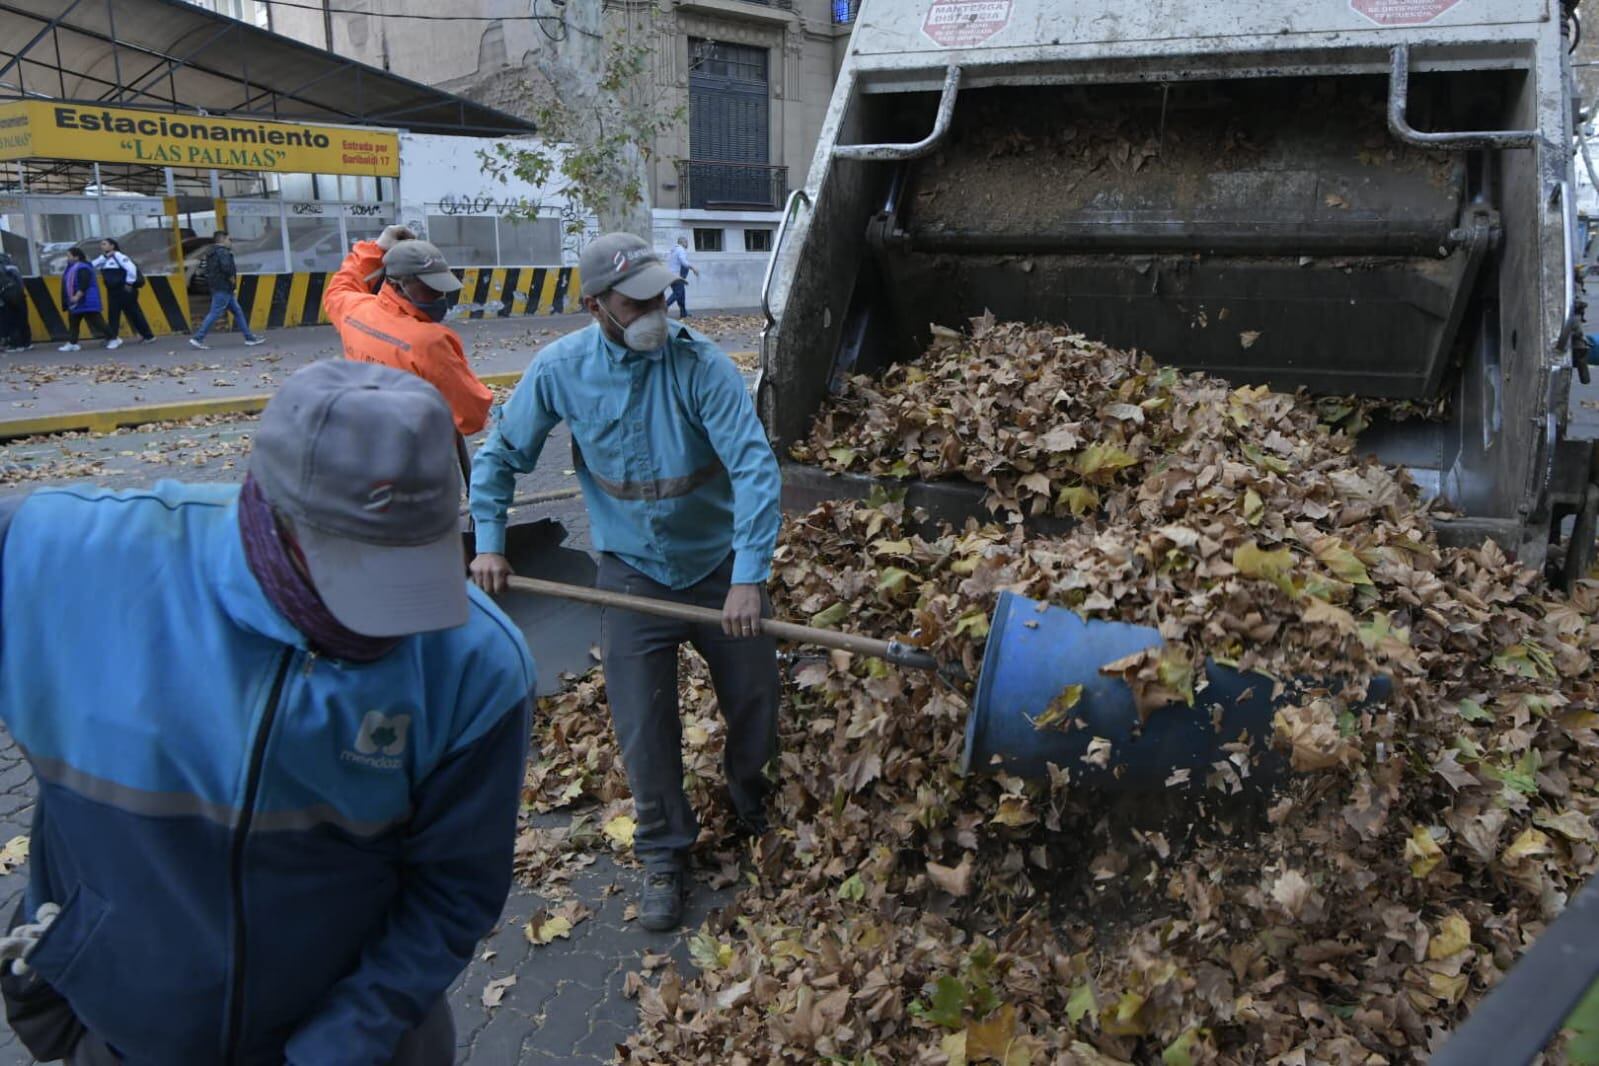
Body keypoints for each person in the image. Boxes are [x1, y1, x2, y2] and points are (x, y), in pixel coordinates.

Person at [0, 359, 535, 1065]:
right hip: (119, 1034)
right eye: (358, 569)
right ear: (271, 511)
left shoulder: (472, 664)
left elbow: (451, 889)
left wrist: (341, 1046)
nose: (388, 628)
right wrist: (53, 994)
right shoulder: (56, 562)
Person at [469, 232, 781, 932]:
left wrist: (748, 576)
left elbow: (755, 469)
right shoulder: (559, 368)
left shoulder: (702, 366)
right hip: (631, 575)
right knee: (644, 727)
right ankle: (665, 854)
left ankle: (756, 803)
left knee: (756, 699)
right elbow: (499, 457)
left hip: (716, 567)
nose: (654, 310)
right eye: (635, 300)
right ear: (595, 305)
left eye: (661, 295)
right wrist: (490, 542)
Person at [323, 224, 491, 436]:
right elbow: (472, 416)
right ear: (397, 284)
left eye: (441, 288)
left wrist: (377, 248)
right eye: (427, 289)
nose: (438, 295)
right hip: (414, 456)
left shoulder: (355, 312)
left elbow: (341, 286)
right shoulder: (429, 342)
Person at [189, 230, 266, 350]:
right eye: (229, 239)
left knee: (237, 312)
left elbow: (204, 270)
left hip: (217, 287)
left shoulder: (210, 252)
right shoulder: (223, 253)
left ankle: (249, 338)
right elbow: (227, 269)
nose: (231, 242)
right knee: (215, 313)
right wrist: (232, 283)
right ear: (222, 240)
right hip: (224, 288)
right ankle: (198, 338)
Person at [91, 238, 154, 349]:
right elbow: (91, 265)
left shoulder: (120, 257)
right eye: (102, 244)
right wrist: (104, 257)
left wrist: (129, 283)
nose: (102, 246)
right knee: (114, 314)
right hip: (112, 290)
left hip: (123, 290)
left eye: (105, 244)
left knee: (133, 313)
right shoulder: (104, 259)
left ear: (112, 246)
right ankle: (113, 337)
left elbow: (132, 269)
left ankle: (147, 335)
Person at [57, 248, 106, 352]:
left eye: (69, 256)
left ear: (76, 257)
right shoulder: (73, 267)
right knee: (74, 322)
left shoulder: (82, 268)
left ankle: (113, 338)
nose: (67, 258)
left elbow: (84, 284)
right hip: (78, 302)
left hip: (85, 301)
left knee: (97, 322)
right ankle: (72, 343)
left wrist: (76, 297)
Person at [0, 253, 30, 354]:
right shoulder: (13, 268)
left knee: (11, 322)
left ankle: (16, 345)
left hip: (6, 300)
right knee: (22, 319)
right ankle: (27, 343)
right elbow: (21, 283)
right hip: (19, 297)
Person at [665, 235, 698, 319]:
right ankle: (664, 306)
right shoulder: (681, 250)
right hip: (677, 276)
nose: (687, 244)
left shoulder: (673, 250)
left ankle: (683, 314)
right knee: (678, 293)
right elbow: (683, 262)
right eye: (686, 242)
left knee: (681, 295)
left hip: (672, 276)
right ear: (683, 242)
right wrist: (693, 267)